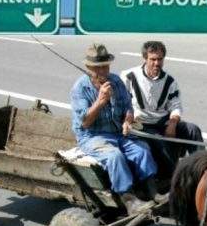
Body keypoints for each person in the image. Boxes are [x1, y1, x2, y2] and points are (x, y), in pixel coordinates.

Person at [70, 43, 167, 215]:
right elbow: (84, 122)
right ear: (88, 68)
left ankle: (153, 192)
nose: (103, 71)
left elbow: (128, 106)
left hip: (117, 132)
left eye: (105, 66)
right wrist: (100, 102)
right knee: (115, 156)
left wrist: (127, 120)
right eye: (98, 68)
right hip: (92, 136)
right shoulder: (80, 88)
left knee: (142, 150)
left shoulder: (115, 81)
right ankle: (129, 200)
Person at [121, 41, 203, 176]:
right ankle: (172, 179)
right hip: (140, 124)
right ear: (145, 59)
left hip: (162, 122)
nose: (156, 63)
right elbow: (122, 102)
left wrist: (172, 124)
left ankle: (201, 171)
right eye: (152, 59)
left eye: (160, 59)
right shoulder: (129, 76)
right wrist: (127, 118)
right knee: (161, 142)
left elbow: (175, 105)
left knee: (193, 130)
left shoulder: (170, 81)